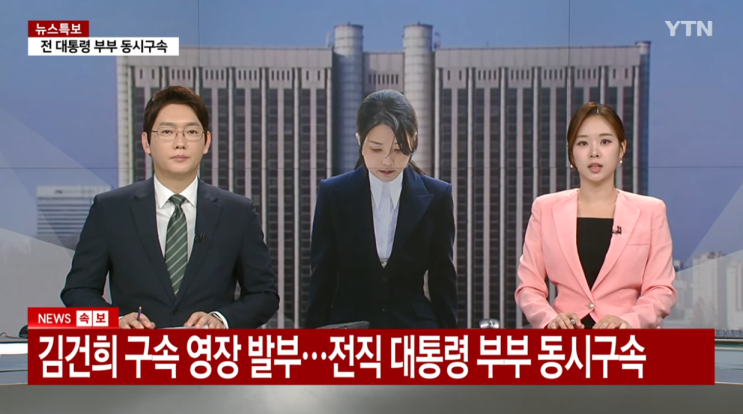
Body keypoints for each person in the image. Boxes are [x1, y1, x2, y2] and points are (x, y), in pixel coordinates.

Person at [61, 86, 279, 329]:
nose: (180, 143)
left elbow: (264, 295)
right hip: (135, 350)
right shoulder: (111, 209)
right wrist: (117, 321)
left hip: (209, 351)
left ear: (206, 142)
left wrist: (221, 319)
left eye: (191, 132)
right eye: (167, 132)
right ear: (146, 142)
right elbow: (78, 290)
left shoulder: (237, 212)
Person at [515, 102, 677, 329]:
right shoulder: (545, 209)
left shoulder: (651, 211)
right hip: (566, 339)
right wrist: (550, 319)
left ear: (622, 149)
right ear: (571, 153)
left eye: (605, 142)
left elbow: (661, 289)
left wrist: (629, 322)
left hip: (629, 341)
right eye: (582, 143)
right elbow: (529, 287)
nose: (594, 152)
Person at [305, 89, 457, 329]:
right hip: (349, 325)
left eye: (398, 149)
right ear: (359, 141)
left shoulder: (437, 195)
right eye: (376, 149)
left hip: (414, 327)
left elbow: (443, 279)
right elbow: (322, 277)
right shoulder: (333, 193)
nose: (387, 161)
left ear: (413, 141)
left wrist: (451, 341)